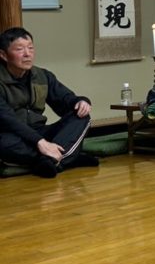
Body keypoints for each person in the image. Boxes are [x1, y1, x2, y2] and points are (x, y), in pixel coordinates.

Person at [0, 27, 98, 178]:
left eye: (30, 48)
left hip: (40, 131)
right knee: (3, 143)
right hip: (12, 135)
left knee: (80, 116)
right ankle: (68, 158)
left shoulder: (42, 76)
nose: (27, 54)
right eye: (19, 49)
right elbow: (8, 120)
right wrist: (40, 142)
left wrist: (81, 101)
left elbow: (65, 100)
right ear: (3, 55)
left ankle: (50, 160)